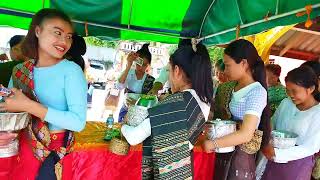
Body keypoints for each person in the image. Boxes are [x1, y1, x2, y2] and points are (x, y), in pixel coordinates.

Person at [0, 8, 87, 179]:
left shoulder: (71, 71)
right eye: (57, 33)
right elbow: (8, 112)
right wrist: (4, 134)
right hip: (22, 148)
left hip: (54, 155)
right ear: (37, 31)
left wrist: (29, 105)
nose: (64, 41)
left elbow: (77, 122)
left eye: (68, 36)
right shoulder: (20, 70)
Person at [121, 43, 213, 179]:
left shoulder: (175, 103)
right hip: (182, 172)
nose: (168, 77)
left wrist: (123, 126)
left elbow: (133, 137)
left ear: (177, 70)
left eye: (168, 71)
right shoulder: (203, 101)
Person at [203, 39, 270, 180]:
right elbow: (216, 115)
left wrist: (213, 143)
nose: (225, 70)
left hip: (240, 156)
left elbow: (246, 133)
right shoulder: (229, 87)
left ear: (244, 63)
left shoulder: (256, 92)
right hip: (223, 150)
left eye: (228, 65)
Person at [262, 66, 320, 180]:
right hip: (273, 157)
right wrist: (266, 140)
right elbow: (273, 122)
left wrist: (277, 154)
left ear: (311, 89)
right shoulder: (286, 103)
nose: (291, 95)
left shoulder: (317, 113)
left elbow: (311, 147)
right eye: (288, 90)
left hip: (298, 164)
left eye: (295, 91)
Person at [117, 43, 155, 122]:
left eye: (144, 65)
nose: (140, 67)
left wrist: (137, 103)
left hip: (140, 114)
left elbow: (152, 102)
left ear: (149, 65)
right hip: (125, 110)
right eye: (138, 63)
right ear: (135, 61)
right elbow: (119, 86)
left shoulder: (150, 80)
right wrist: (128, 65)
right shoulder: (129, 72)